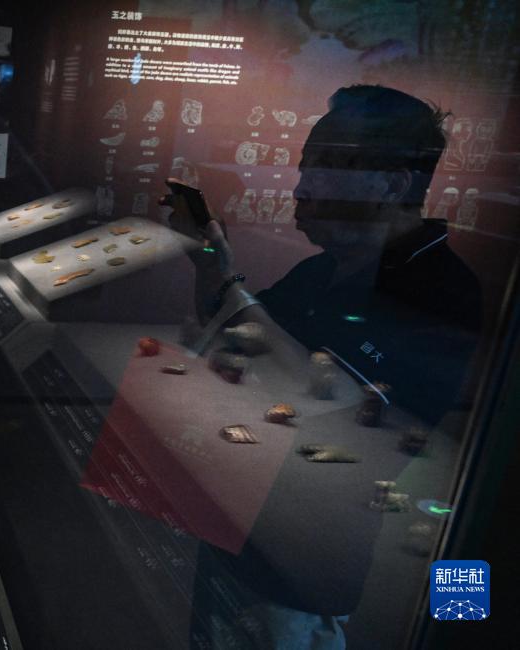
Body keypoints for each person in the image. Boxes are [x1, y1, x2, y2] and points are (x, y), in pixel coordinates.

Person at [168, 85, 483, 648]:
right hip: (241, 536)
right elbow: (233, 342)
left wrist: (231, 290)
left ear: (393, 184)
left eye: (328, 166)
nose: (301, 187)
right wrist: (211, 266)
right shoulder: (320, 272)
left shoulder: (443, 292)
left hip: (301, 575)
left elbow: (334, 411)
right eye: (306, 165)